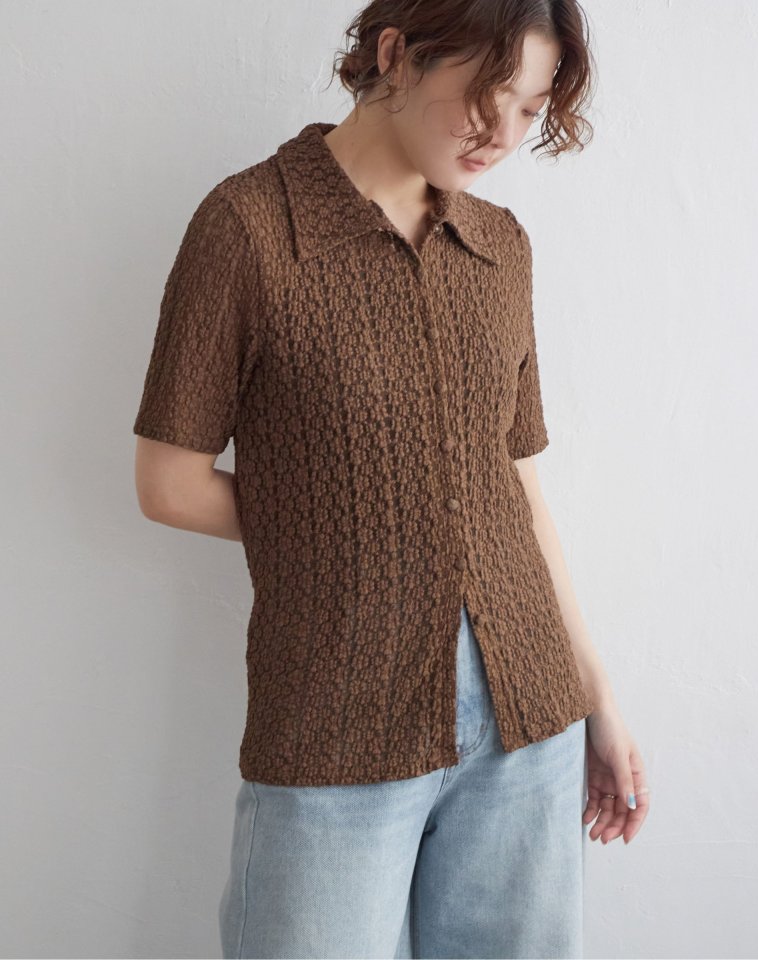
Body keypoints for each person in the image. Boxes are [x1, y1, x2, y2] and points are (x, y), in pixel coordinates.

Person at [132, 1, 651, 957]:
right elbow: (168, 483)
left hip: (529, 721)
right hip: (337, 720)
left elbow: (515, 488)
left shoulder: (500, 247)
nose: (504, 136)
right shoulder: (249, 228)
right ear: (396, 56)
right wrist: (360, 513)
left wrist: (598, 700)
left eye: (530, 110)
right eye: (487, 98)